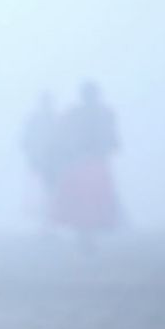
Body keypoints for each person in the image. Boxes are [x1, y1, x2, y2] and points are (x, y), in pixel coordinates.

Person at [52, 81, 120, 250]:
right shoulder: (91, 113)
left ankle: (87, 232)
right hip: (83, 160)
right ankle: (85, 233)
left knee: (90, 197)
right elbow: (64, 135)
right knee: (85, 198)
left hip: (90, 160)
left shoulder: (99, 113)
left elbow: (111, 137)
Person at [21, 92, 59, 226]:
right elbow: (26, 140)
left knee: (50, 191)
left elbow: (62, 140)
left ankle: (49, 219)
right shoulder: (36, 120)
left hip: (52, 162)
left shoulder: (55, 119)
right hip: (39, 161)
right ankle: (44, 220)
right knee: (41, 191)